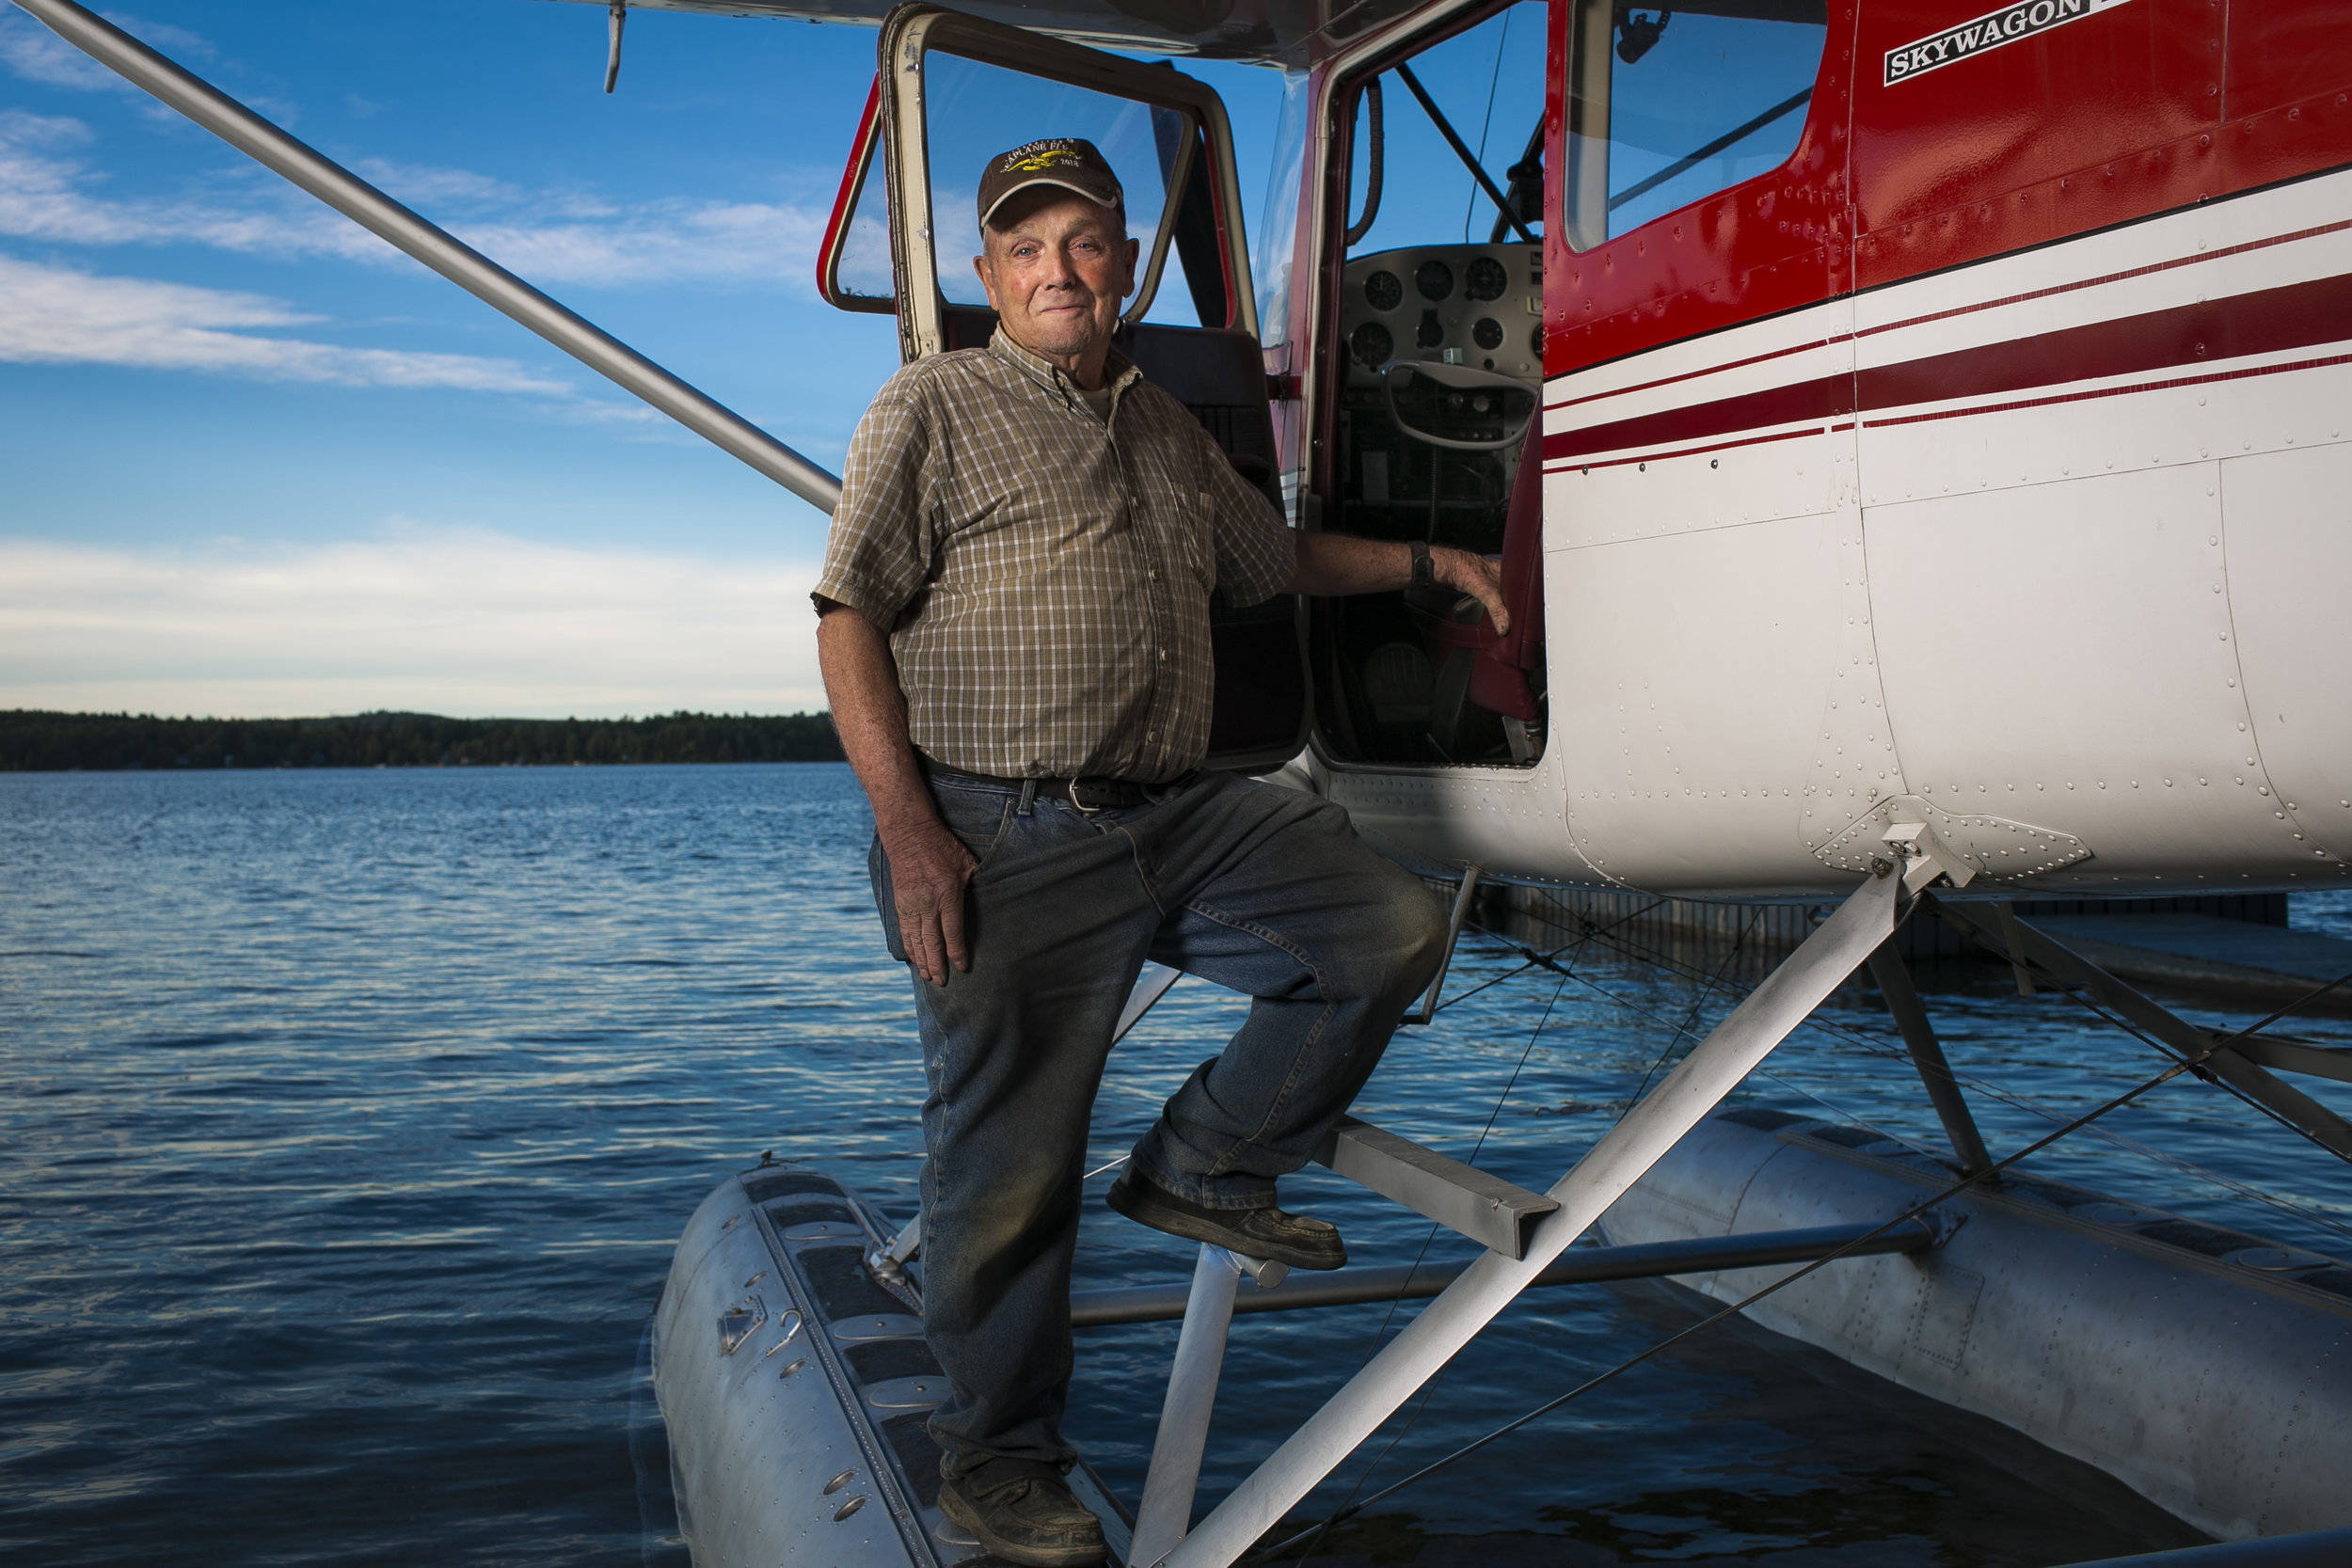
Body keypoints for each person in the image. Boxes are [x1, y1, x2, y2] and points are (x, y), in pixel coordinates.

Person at [811, 136, 1511, 1567]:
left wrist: (1428, 563)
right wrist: (909, 829)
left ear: (1123, 264)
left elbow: (1276, 564)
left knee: (1386, 931)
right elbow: (847, 616)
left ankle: (1205, 1156)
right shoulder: (929, 404)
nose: (1057, 270)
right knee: (1006, 1174)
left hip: (1180, 806)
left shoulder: (1162, 424)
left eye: (1083, 242)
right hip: (998, 831)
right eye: (1025, 247)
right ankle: (998, 1468)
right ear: (992, 276)